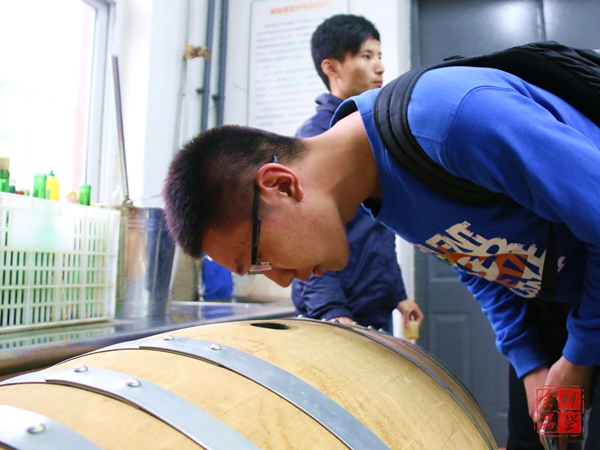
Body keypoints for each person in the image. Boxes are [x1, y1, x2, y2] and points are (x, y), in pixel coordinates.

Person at [162, 55, 600, 448]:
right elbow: (482, 262)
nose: (280, 280)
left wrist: (579, 357)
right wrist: (530, 362)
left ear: (281, 185)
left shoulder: (449, 120)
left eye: (258, 260)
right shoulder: (380, 193)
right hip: (562, 315)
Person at [292, 14, 423, 333]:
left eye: (379, 56)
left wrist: (398, 295)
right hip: (337, 316)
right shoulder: (315, 138)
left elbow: (377, 227)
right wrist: (331, 311)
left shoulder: (371, 132)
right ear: (331, 67)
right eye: (366, 56)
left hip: (374, 311)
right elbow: (305, 237)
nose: (380, 67)